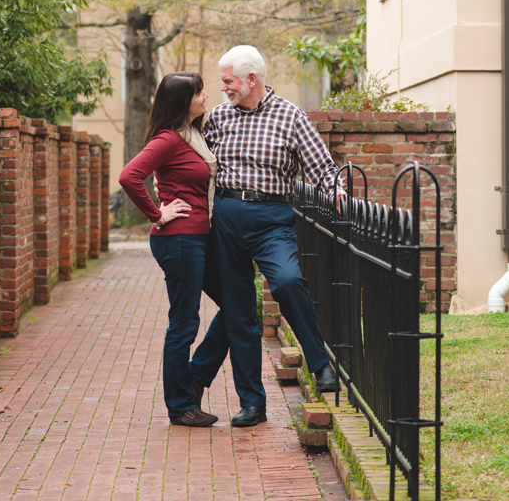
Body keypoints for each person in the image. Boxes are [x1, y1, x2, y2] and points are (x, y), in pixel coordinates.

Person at [202, 45, 344, 428]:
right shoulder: (217, 117)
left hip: (271, 219)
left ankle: (320, 363)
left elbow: (321, 167)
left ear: (252, 79)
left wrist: (337, 191)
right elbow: (192, 161)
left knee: (288, 280)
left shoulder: (290, 116)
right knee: (239, 312)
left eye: (228, 81)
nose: (223, 87)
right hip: (226, 217)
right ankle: (252, 403)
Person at [119, 72, 229, 427]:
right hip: (179, 239)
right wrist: (157, 213)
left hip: (198, 237)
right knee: (184, 321)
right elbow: (129, 176)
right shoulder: (168, 138)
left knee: (237, 306)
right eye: (199, 92)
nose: (205, 96)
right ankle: (180, 406)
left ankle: (195, 376)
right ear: (183, 101)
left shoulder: (193, 136)